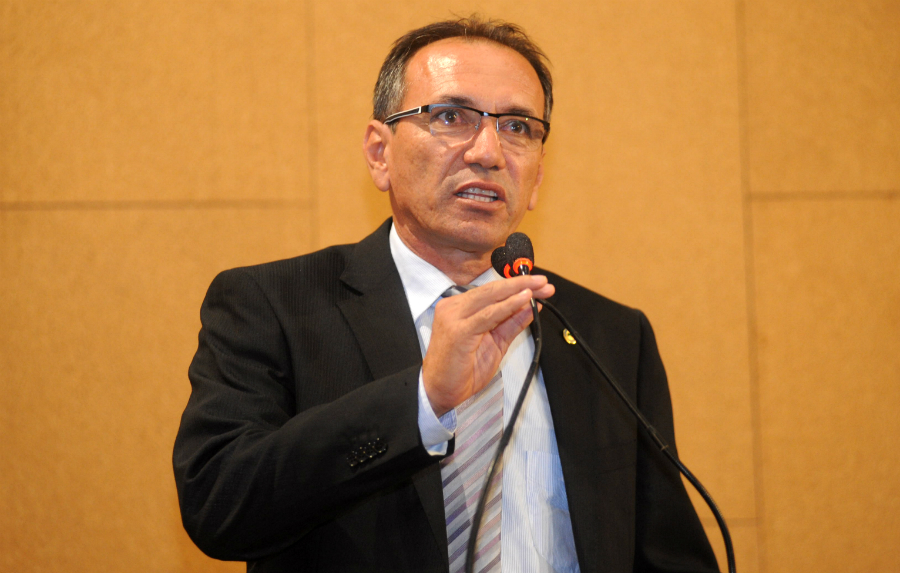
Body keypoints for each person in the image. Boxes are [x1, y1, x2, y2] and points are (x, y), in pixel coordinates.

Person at [173, 16, 719, 573]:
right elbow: (218, 504)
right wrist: (422, 400)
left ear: (537, 176)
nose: (488, 152)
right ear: (379, 153)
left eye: (517, 127)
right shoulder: (274, 306)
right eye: (451, 117)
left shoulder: (609, 335)